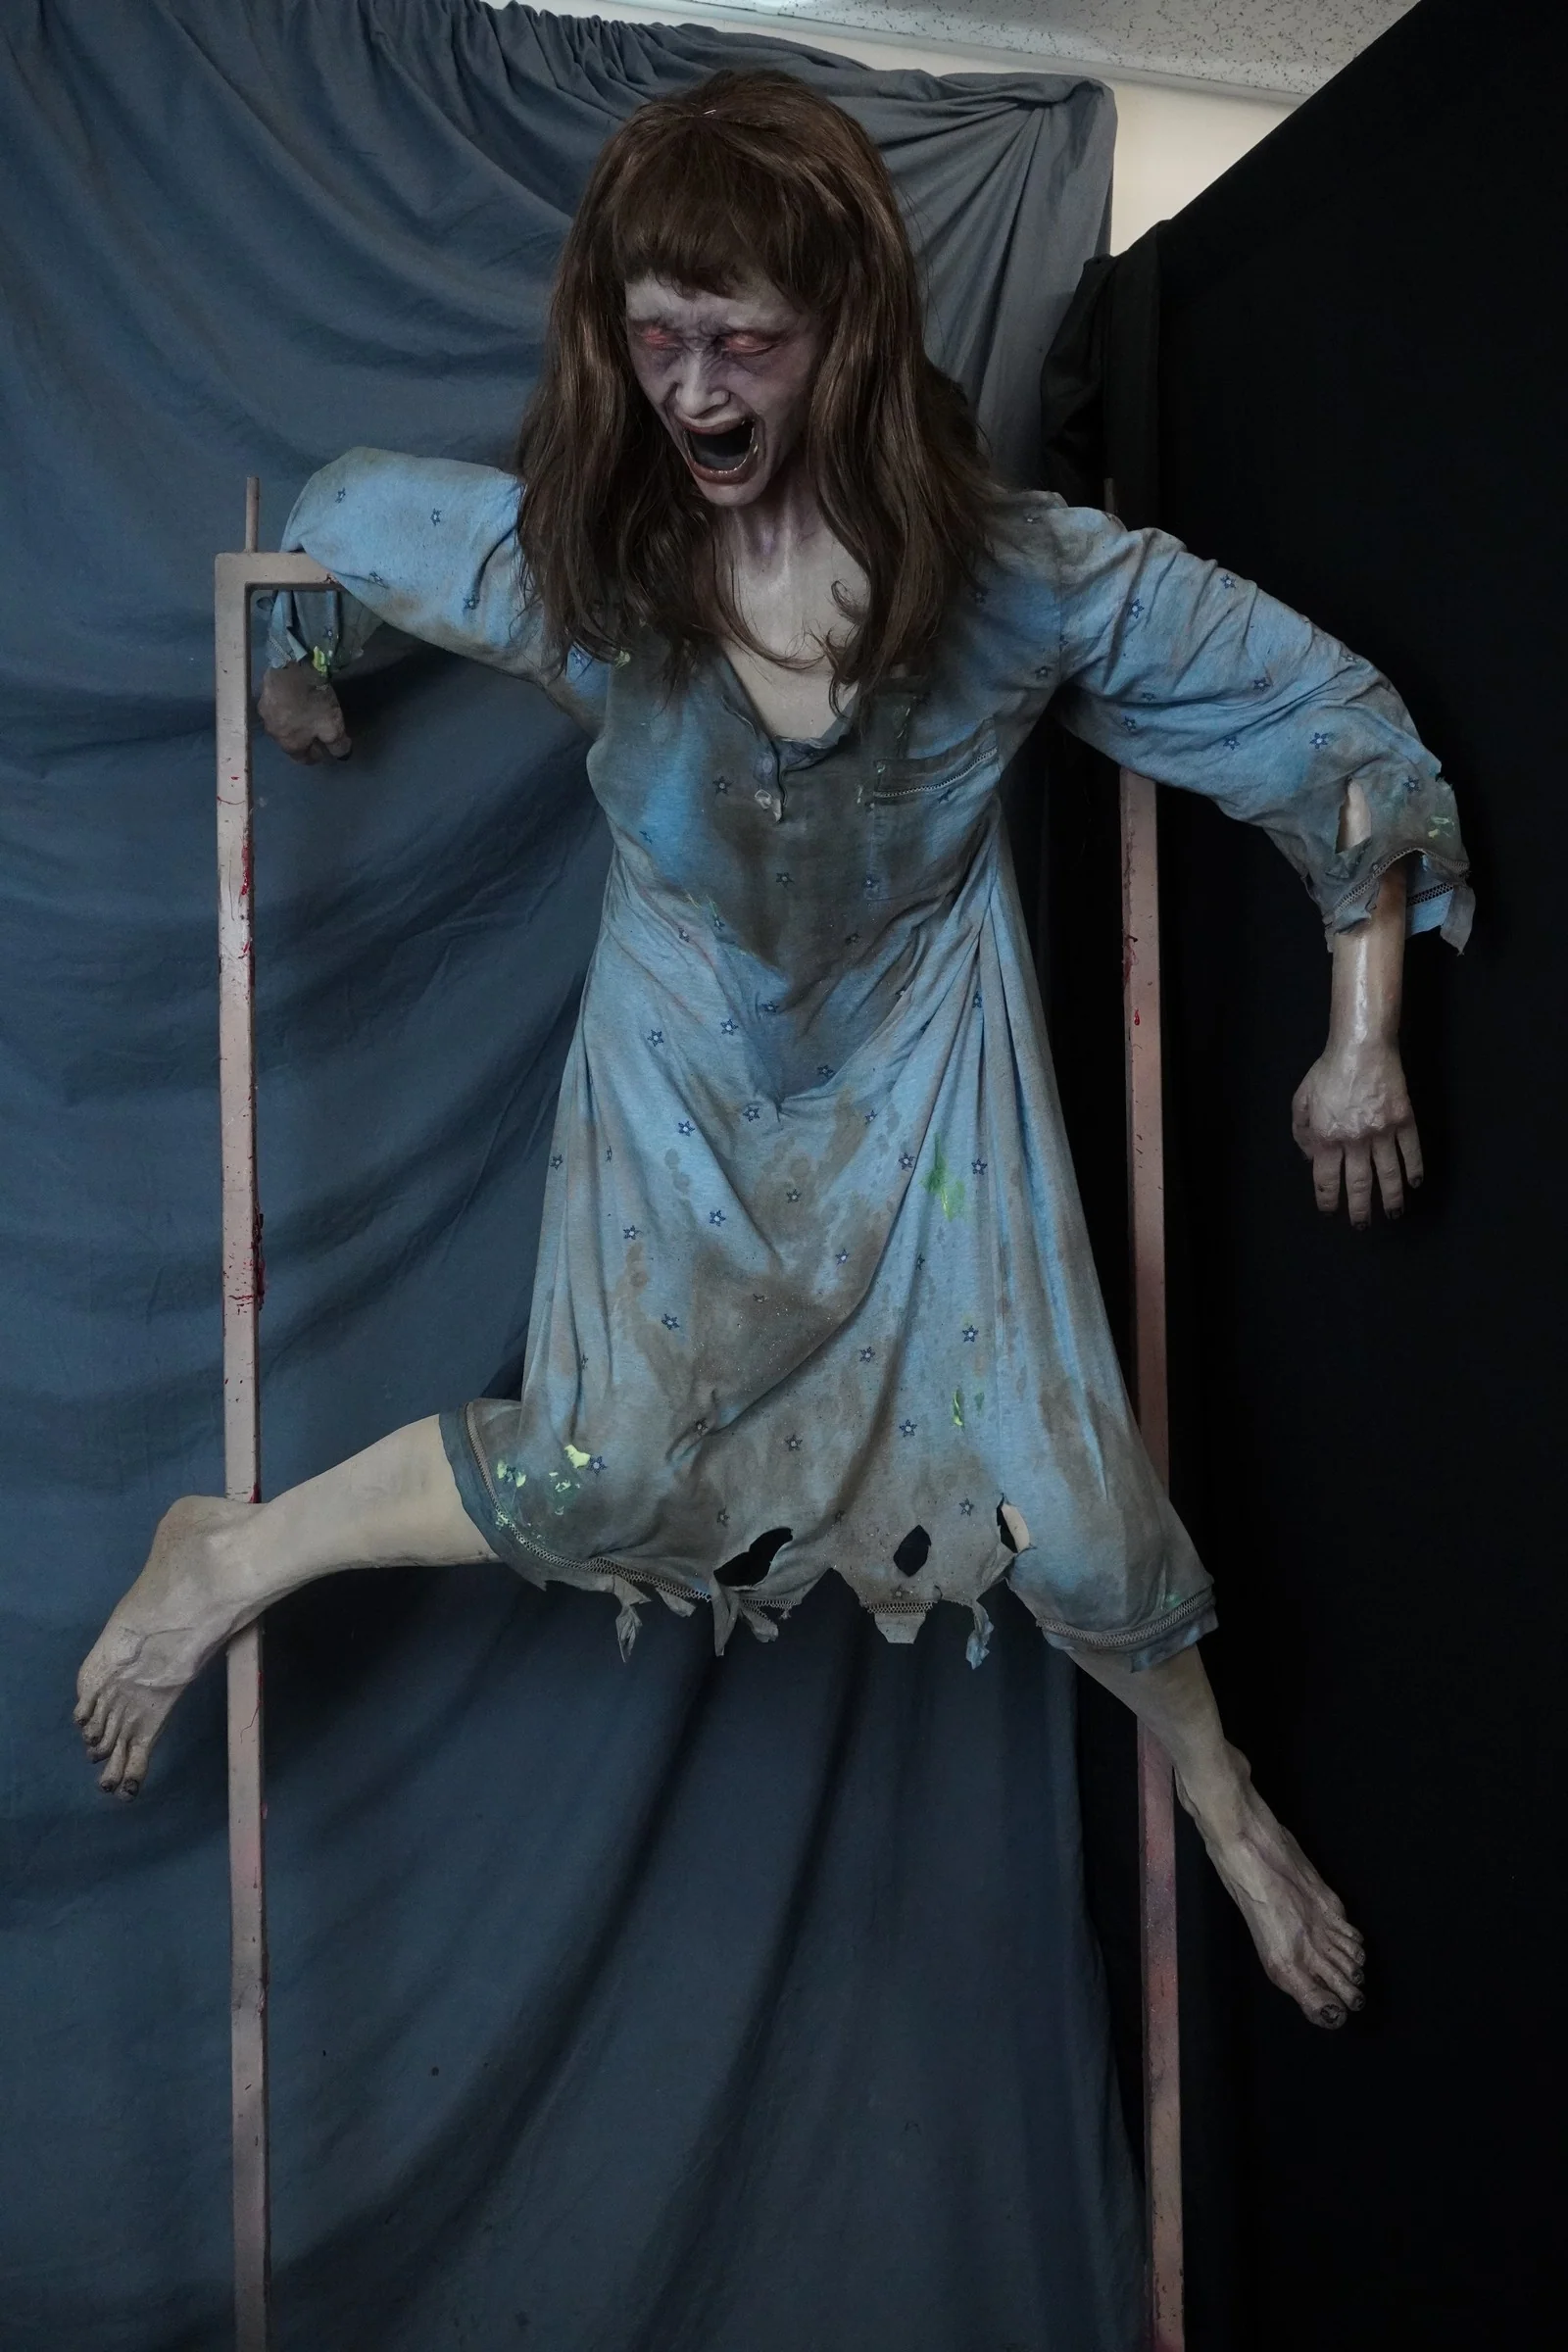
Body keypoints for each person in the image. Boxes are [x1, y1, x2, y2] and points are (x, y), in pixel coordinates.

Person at [76, 72, 1469, 2033]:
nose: (697, 392)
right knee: (598, 1475)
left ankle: (1222, 1801)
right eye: (659, 341)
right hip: (683, 1079)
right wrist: (303, 666)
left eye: (742, 342)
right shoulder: (591, 574)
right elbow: (348, 521)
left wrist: (1361, 1031)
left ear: (848, 337)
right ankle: (228, 1560)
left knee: (1079, 1520)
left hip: (924, 1086)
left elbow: (1312, 719)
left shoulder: (1006, 584)